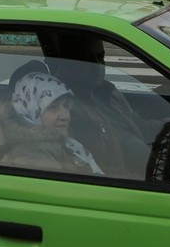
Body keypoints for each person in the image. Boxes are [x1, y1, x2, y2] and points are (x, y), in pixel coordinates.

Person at [48, 34, 151, 178]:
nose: (98, 66)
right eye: (88, 60)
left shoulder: (108, 91)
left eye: (100, 57)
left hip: (151, 169)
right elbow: (101, 166)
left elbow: (138, 125)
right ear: (68, 62)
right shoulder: (67, 109)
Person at [0, 71, 103, 175]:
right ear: (31, 110)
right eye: (52, 107)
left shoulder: (58, 141)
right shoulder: (35, 153)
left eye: (66, 105)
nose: (65, 116)